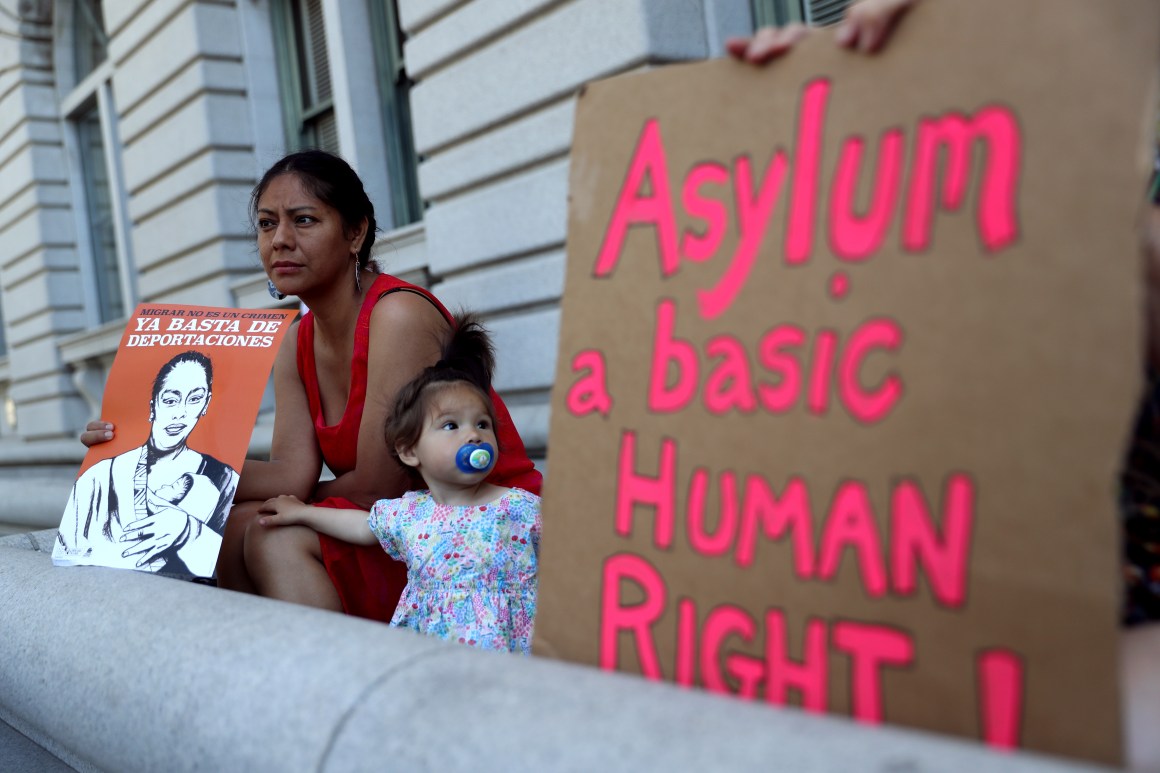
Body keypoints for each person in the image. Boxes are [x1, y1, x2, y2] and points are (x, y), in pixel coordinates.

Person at [82, 150, 541, 621]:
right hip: (396, 528)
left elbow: (375, 486)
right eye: (266, 224)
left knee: (271, 531)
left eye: (303, 220)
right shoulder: (296, 340)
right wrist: (144, 453)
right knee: (239, 522)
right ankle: (266, 679)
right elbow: (289, 474)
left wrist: (260, 497)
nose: (280, 240)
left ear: (355, 233)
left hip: (481, 533)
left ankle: (333, 686)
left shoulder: (398, 315)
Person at [258, 314, 541, 654]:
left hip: (510, 652)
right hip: (431, 655)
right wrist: (301, 513)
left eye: (482, 424)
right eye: (451, 426)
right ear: (409, 451)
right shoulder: (411, 513)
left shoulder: (518, 507)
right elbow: (361, 526)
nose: (473, 434)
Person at [59, 350, 239, 577]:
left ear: (206, 404)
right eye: (170, 400)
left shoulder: (224, 479)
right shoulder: (100, 477)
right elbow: (70, 557)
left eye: (194, 399)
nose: (181, 414)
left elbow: (231, 568)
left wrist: (188, 531)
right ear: (153, 405)